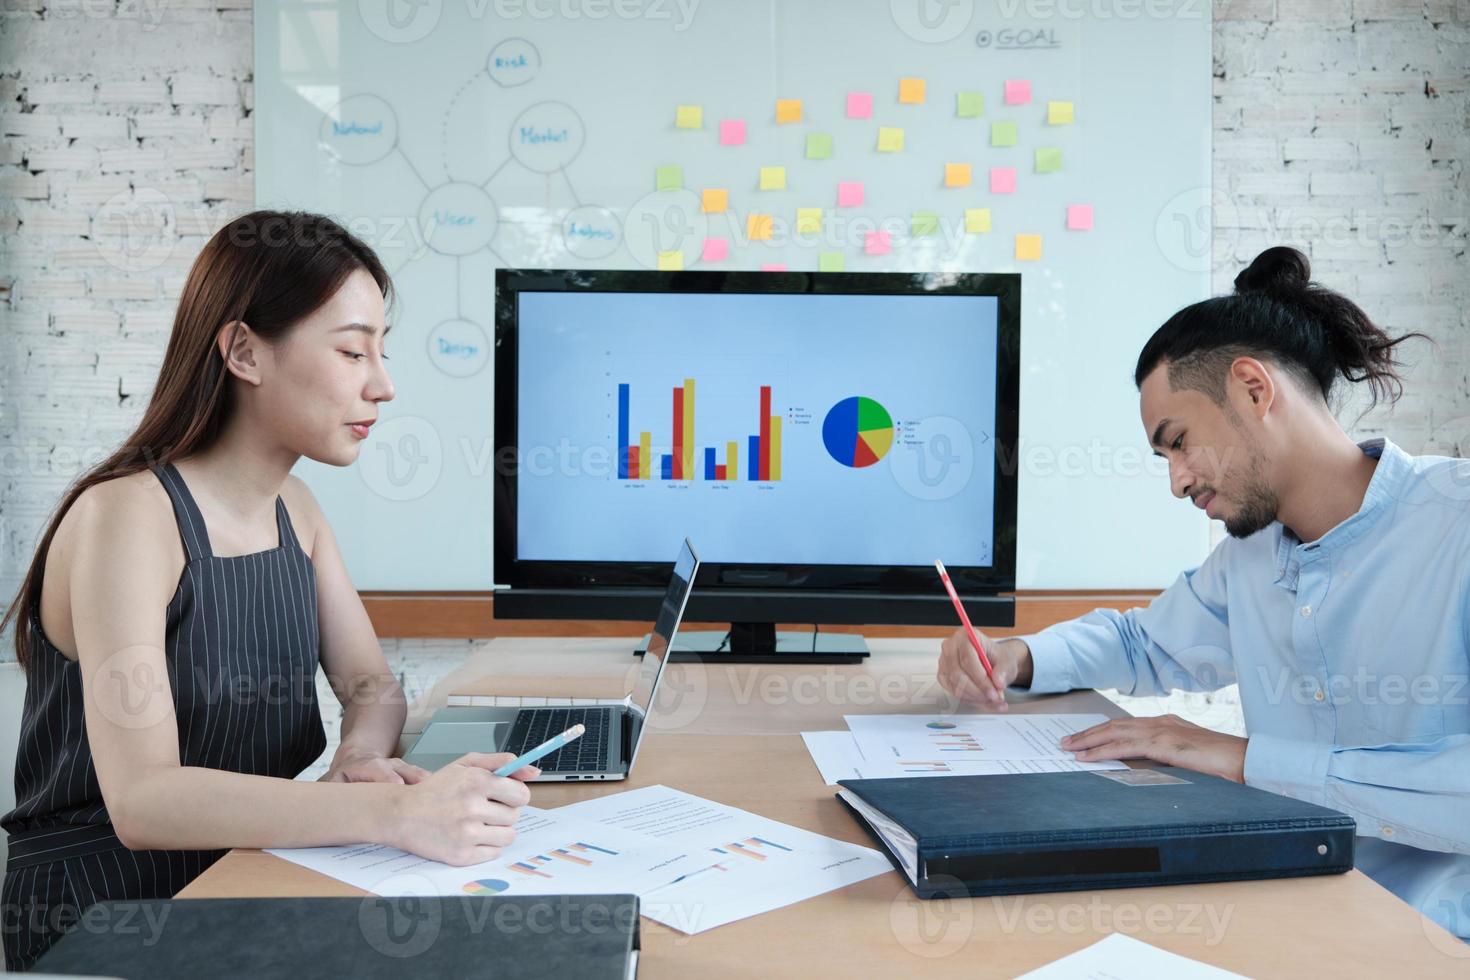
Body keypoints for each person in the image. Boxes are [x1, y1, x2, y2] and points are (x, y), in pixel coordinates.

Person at [0, 211, 537, 971]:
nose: (383, 386)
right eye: (353, 350)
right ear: (245, 351)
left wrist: (358, 756)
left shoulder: (298, 513)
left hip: (252, 872)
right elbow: (143, 801)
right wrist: (390, 810)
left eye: (381, 353)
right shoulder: (127, 517)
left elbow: (373, 686)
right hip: (110, 910)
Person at [936, 246, 1469, 939]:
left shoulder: (1453, 524)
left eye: (1179, 442)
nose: (1179, 481)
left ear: (1253, 389)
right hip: (1284, 901)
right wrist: (1016, 656)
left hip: (1428, 935)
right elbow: (1142, 642)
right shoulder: (1252, 554)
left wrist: (1244, 760)